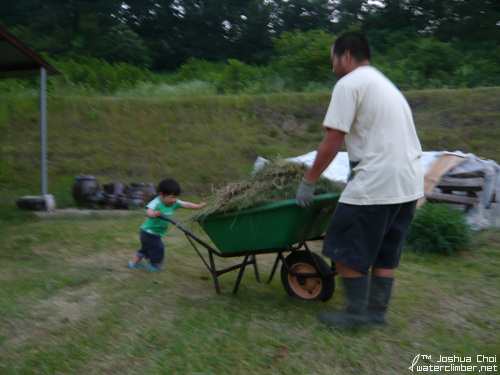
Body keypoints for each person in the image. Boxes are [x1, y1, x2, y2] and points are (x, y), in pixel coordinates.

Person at [296, 31, 424, 328]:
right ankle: (376, 313)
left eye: (333, 61)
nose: (332, 68)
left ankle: (355, 315)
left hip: (379, 177)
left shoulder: (349, 83)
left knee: (341, 241)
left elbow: (332, 140)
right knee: (384, 250)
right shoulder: (384, 83)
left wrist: (309, 180)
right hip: (409, 181)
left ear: (346, 56)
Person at [128, 178, 206, 272]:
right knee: (159, 248)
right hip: (148, 232)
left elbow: (186, 204)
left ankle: (133, 264)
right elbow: (148, 211)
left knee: (145, 249)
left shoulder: (174, 203)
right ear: (161, 195)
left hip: (156, 233)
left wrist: (198, 206)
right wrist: (153, 214)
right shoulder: (157, 202)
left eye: (176, 197)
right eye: (171, 197)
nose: (174, 200)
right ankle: (154, 265)